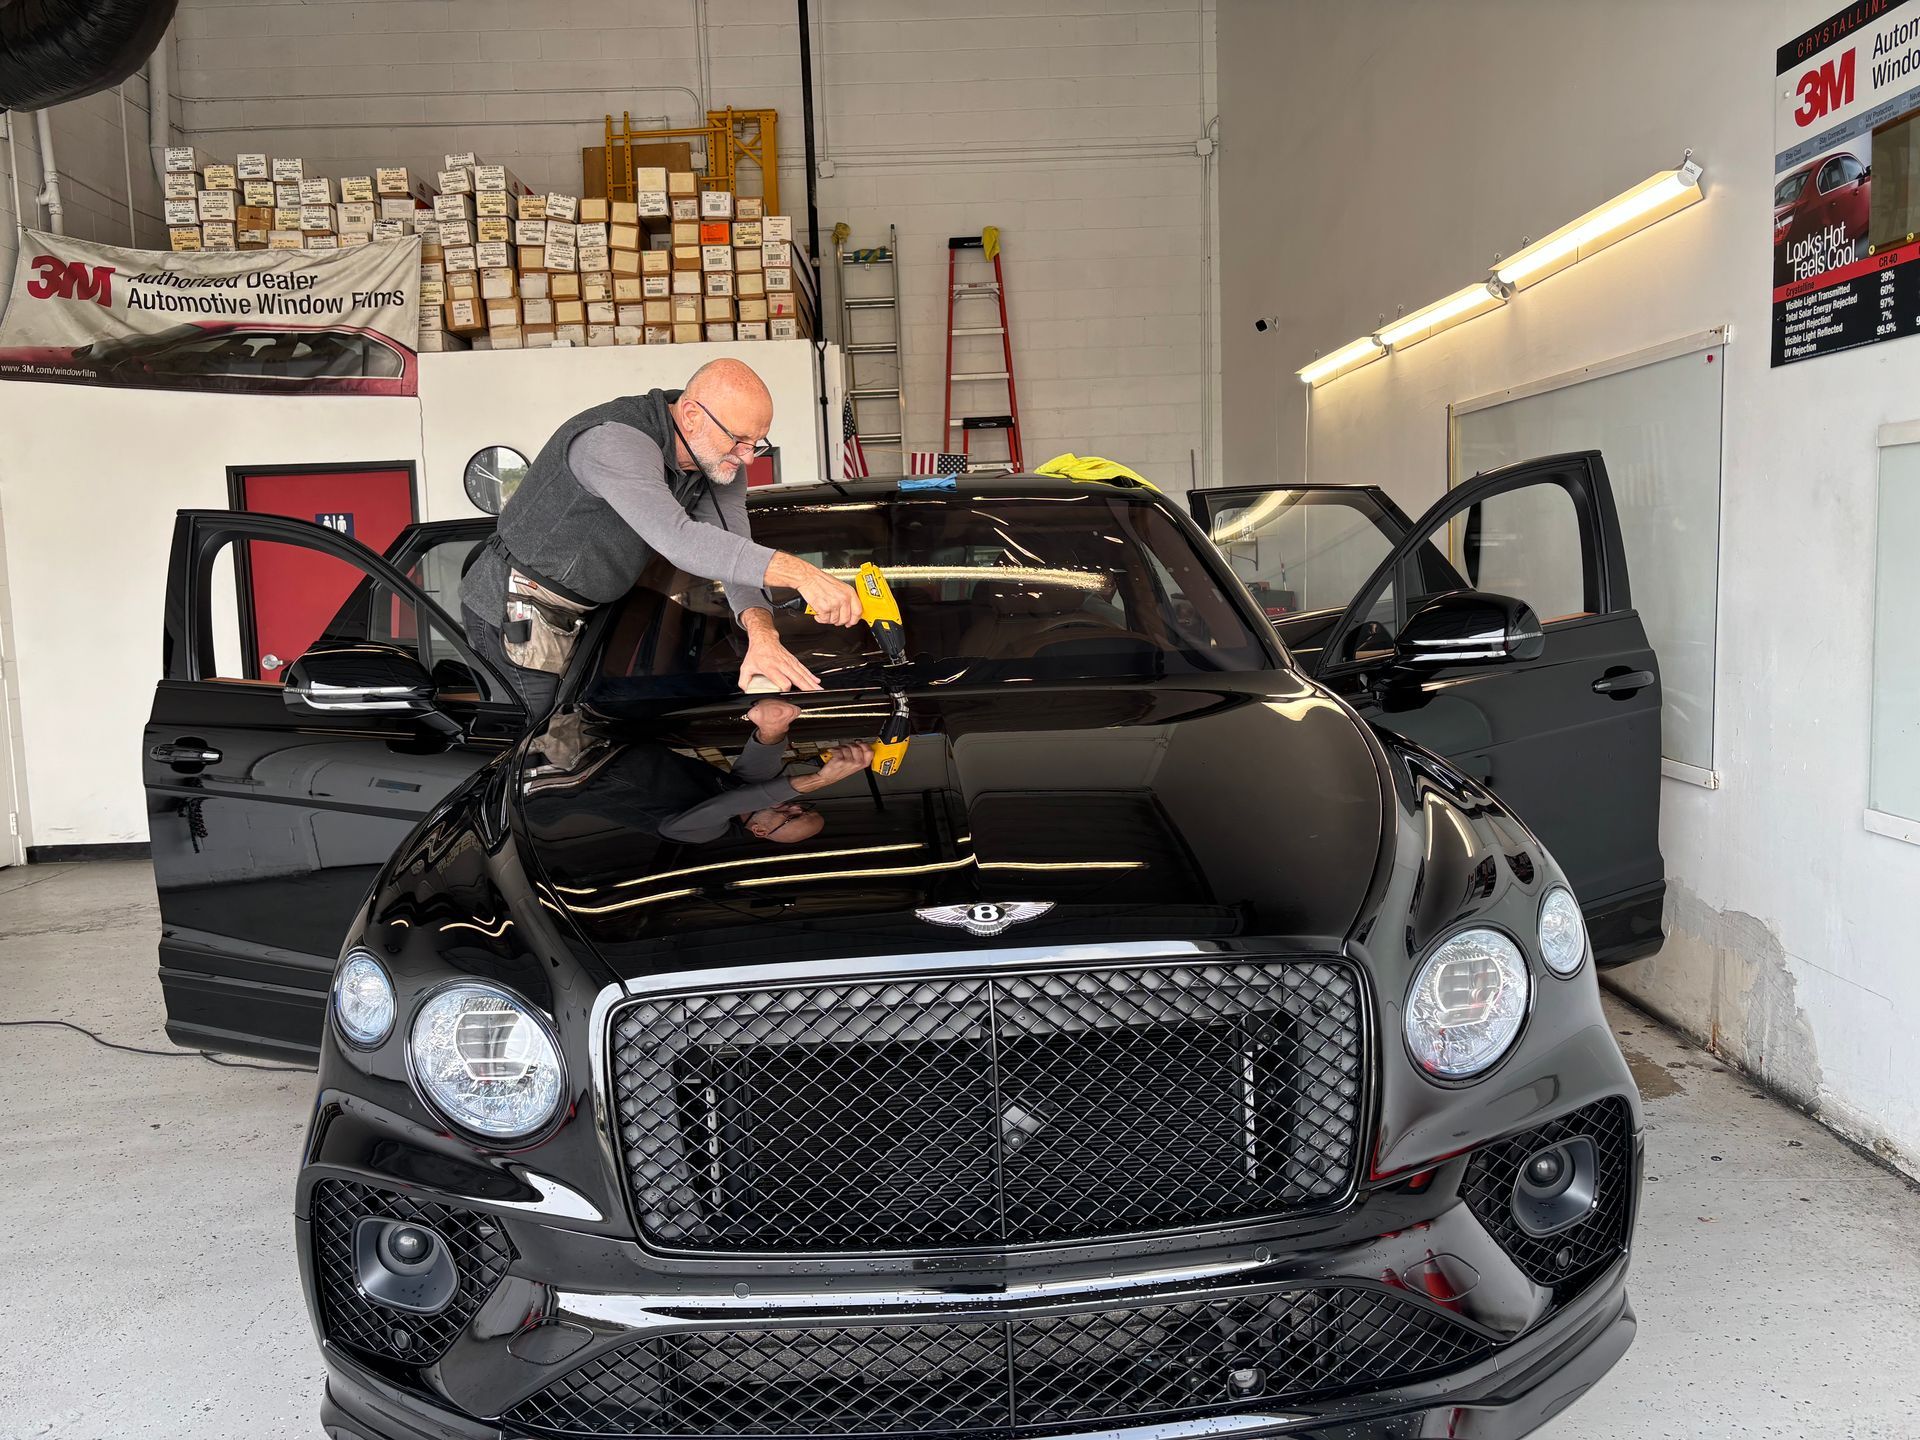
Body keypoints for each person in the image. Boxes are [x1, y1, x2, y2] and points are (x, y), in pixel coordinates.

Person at [461, 358, 860, 712]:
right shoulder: (614, 441)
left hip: (590, 613)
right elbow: (679, 539)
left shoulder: (716, 461)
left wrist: (763, 634)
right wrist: (803, 575)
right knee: (538, 745)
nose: (748, 457)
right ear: (690, 415)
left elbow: (734, 550)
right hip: (519, 608)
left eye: (757, 443)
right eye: (738, 440)